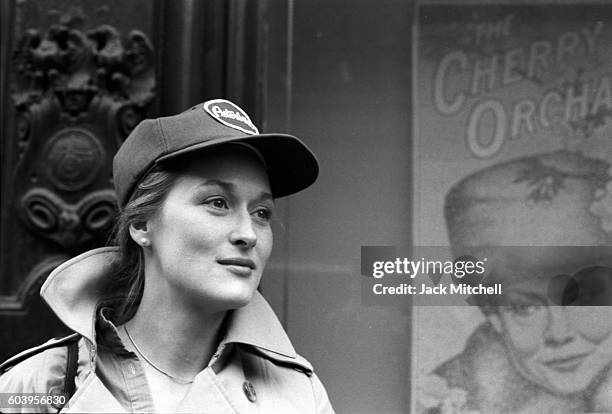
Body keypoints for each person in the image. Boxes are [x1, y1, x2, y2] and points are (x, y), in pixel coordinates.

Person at [0, 99, 335, 413]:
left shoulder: (299, 395)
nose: (248, 234)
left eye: (261, 212)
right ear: (142, 223)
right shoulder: (40, 386)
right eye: (217, 203)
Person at [418, 150, 612, 414]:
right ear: (495, 317)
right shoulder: (448, 400)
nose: (558, 334)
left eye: (584, 298)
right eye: (525, 308)